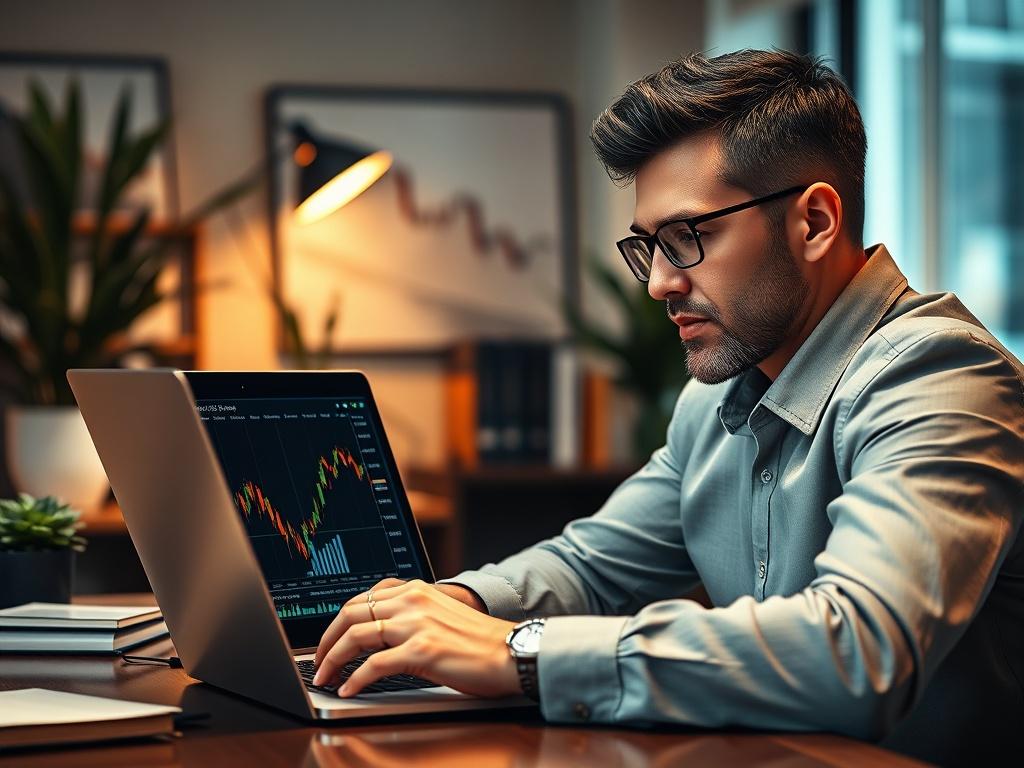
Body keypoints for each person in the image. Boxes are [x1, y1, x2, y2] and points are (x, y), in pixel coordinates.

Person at [311, 49, 1024, 766]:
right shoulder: (713, 399)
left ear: (813, 222)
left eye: (688, 238)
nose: (658, 284)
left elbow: (858, 651)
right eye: (648, 247)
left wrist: (524, 651)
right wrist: (452, 609)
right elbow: (592, 569)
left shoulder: (940, 376)